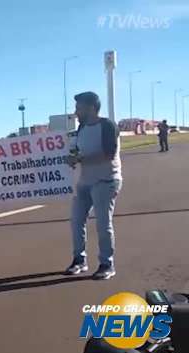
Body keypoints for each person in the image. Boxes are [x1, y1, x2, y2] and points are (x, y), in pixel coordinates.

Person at [65, 91, 122, 281]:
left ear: (91, 108)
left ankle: (107, 264)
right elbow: (80, 151)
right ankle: (79, 260)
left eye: (79, 108)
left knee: (103, 224)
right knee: (76, 221)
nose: (76, 111)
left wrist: (81, 158)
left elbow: (108, 154)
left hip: (105, 181)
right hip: (85, 181)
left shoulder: (107, 125)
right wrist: (73, 158)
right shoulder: (81, 128)